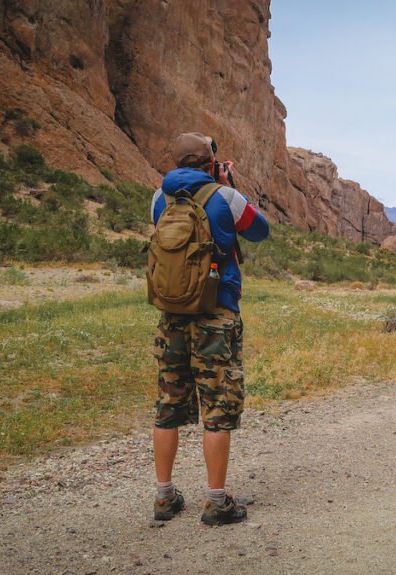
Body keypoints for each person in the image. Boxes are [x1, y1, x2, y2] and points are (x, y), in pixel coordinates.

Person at [149, 132, 269, 525]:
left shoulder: (159, 198)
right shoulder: (223, 196)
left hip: (171, 313)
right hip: (216, 313)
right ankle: (216, 502)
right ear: (209, 162)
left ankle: (165, 497)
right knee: (217, 406)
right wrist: (229, 185)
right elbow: (259, 230)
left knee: (169, 403)